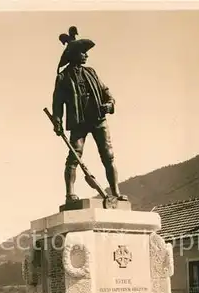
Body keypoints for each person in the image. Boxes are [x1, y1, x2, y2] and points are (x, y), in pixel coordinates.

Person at [52, 27, 128, 203]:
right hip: (79, 122)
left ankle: (115, 192)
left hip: (98, 120)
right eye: (82, 52)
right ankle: (70, 195)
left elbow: (107, 93)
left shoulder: (91, 72)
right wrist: (57, 120)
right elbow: (58, 103)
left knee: (108, 155)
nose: (86, 55)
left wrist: (109, 105)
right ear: (73, 54)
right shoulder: (63, 78)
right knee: (74, 157)